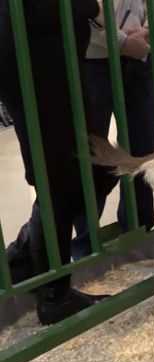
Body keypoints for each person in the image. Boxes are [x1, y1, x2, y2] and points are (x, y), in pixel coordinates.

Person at [0, 0, 112, 325]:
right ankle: (53, 293)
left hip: (56, 72)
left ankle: (25, 261)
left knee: (93, 170)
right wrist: (89, 6)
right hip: (40, 75)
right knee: (60, 179)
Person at [71, 0, 154, 259]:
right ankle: (86, 242)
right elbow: (87, 9)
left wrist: (150, 31)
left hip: (138, 55)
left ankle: (139, 228)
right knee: (91, 150)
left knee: (143, 147)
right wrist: (122, 41)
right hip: (94, 56)